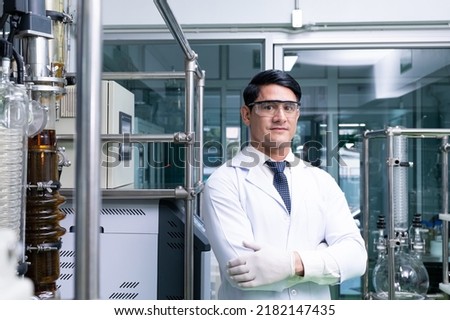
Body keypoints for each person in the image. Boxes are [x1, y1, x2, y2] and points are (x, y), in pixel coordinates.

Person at [202, 69, 367, 300]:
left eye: (289, 107)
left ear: (297, 115)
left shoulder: (321, 181)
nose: (281, 117)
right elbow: (243, 273)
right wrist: (322, 258)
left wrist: (291, 264)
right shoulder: (223, 183)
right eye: (268, 107)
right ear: (246, 114)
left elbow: (356, 258)